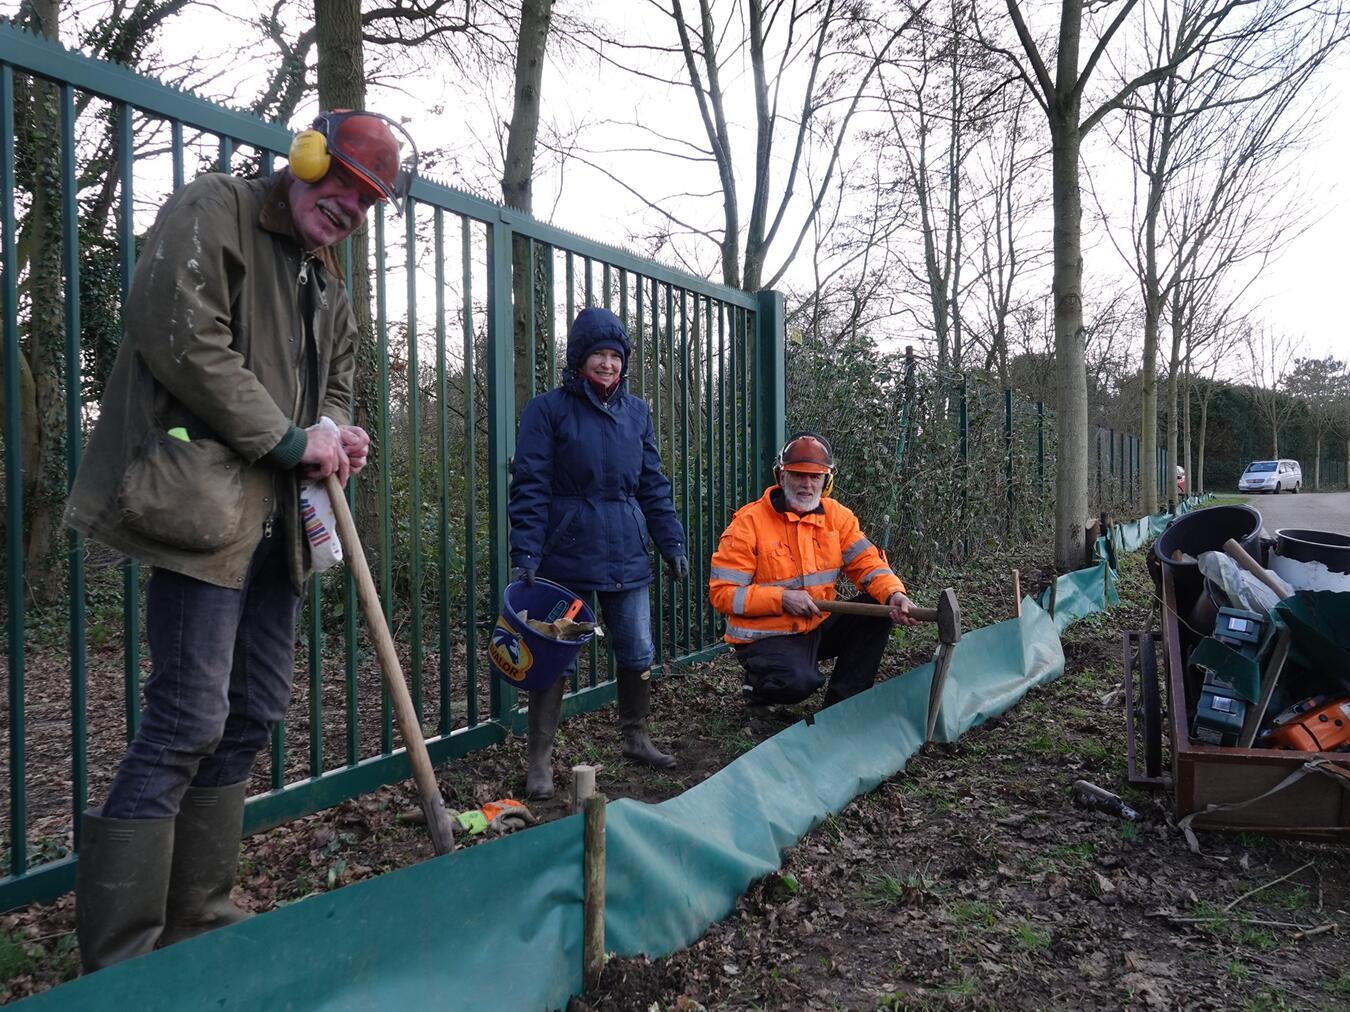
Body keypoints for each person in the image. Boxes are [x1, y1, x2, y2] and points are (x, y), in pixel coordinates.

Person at [63, 109, 417, 971]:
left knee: (253, 711)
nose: (350, 210)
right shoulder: (214, 209)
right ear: (305, 158)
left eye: (367, 203)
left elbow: (339, 382)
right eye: (344, 187)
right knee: (188, 716)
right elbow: (183, 338)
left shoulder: (326, 285)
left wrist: (341, 429)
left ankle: (197, 923)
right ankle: (121, 959)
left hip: (279, 525)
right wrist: (295, 440)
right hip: (202, 511)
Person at [509, 307, 688, 800]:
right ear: (579, 360)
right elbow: (530, 485)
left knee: (638, 650)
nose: (608, 364)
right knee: (556, 657)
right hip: (565, 554)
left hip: (627, 552)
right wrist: (525, 550)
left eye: (615, 355)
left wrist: (669, 539)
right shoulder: (547, 411)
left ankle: (636, 737)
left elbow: (652, 482)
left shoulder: (637, 412)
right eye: (598, 355)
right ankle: (540, 761)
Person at [708, 433, 919, 712]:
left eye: (815, 477)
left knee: (875, 609)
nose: (807, 484)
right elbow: (723, 594)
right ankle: (758, 686)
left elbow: (868, 562)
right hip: (767, 636)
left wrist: (894, 593)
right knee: (797, 682)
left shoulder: (838, 517)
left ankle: (843, 708)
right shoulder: (748, 525)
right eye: (798, 475)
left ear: (826, 482)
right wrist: (781, 598)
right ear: (781, 477)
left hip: (816, 624)